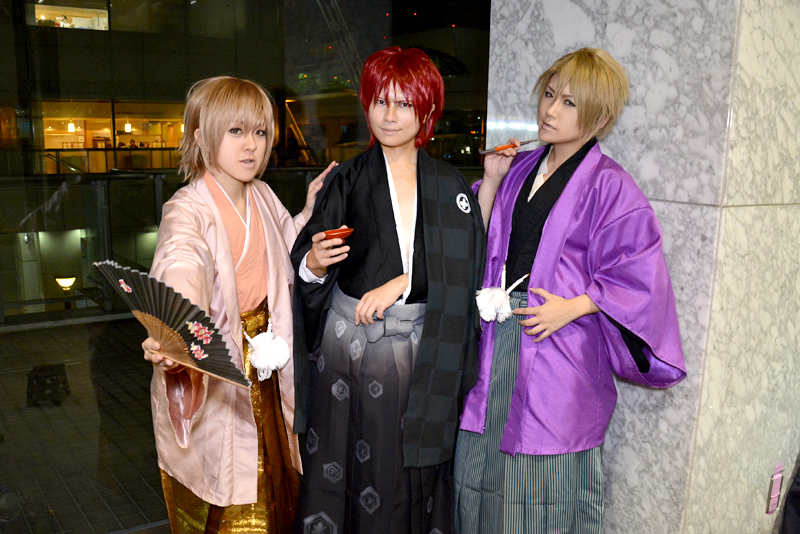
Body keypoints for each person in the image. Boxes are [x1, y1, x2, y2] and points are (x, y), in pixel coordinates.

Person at [454, 48, 687, 533]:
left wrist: (575, 306)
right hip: (500, 340)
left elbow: (639, 275)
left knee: (542, 481)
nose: (550, 110)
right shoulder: (519, 168)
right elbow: (486, 242)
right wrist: (491, 184)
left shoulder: (612, 186)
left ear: (600, 118)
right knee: (481, 470)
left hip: (558, 349)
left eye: (569, 103)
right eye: (549, 94)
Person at [291, 47, 485, 534]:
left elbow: (467, 266)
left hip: (419, 351)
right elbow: (306, 260)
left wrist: (405, 282)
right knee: (339, 465)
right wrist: (314, 264)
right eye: (380, 101)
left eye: (404, 103)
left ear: (427, 109)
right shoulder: (347, 179)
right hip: (347, 351)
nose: (390, 115)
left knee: (403, 474)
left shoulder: (449, 184)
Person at [141, 75, 333, 533]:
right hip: (220, 365)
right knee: (231, 496)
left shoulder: (262, 194)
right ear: (200, 135)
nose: (251, 145)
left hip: (267, 366)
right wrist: (176, 331)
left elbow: (283, 252)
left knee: (277, 487)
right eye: (235, 131)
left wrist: (309, 215)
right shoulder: (187, 210)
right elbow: (181, 262)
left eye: (260, 132)